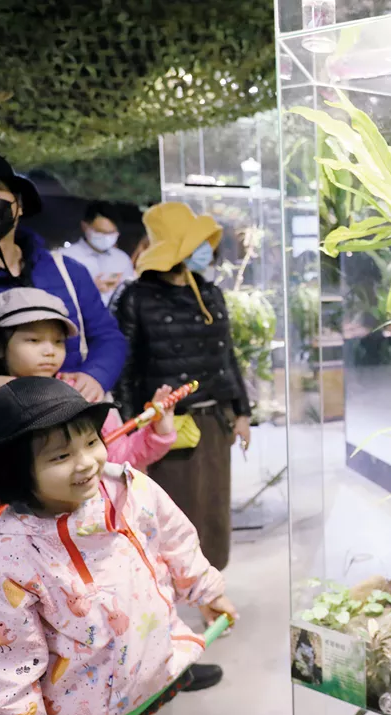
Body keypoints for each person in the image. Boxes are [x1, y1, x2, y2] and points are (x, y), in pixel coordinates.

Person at [0, 377, 238, 715]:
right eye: (61, 456)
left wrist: (207, 592)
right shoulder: (3, 562)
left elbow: (177, 539)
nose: (86, 462)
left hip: (158, 671)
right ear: (15, 472)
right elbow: (4, 669)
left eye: (91, 442)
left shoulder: (130, 489)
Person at [0, 287, 178, 539]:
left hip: (94, 533)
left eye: (58, 341)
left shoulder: (81, 394)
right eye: (33, 340)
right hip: (22, 542)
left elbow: (121, 457)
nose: (49, 351)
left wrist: (157, 431)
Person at [114, 202, 252, 571]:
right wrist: (132, 434)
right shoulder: (136, 297)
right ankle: (173, 589)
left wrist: (241, 412)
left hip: (215, 419)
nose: (206, 249)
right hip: (167, 426)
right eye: (196, 242)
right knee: (175, 511)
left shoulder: (210, 293)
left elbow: (227, 356)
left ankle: (211, 585)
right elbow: (125, 369)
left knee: (215, 508)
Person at [0, 145, 127, 402]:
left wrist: (95, 376)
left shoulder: (68, 272)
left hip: (73, 413)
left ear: (19, 203)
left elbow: (108, 337)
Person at [62, 201, 136, 305]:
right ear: (85, 226)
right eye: (100, 231)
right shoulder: (65, 258)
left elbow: (129, 296)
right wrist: (90, 290)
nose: (106, 237)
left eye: (111, 233)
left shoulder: (122, 260)